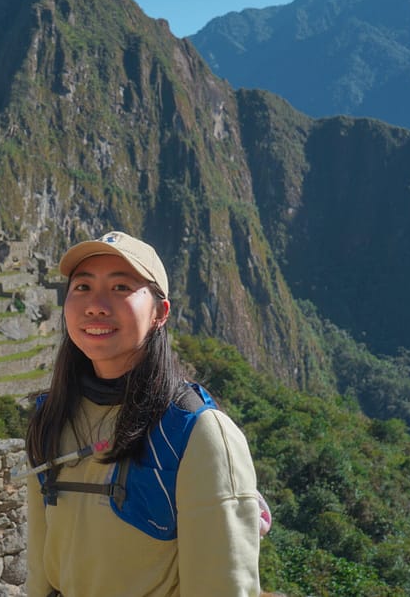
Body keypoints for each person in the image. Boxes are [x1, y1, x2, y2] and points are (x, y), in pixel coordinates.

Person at [24, 230, 262, 596]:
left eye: (121, 288)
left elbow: (222, 586)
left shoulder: (197, 435)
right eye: (82, 287)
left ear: (160, 313)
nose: (95, 305)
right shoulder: (51, 418)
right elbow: (42, 570)